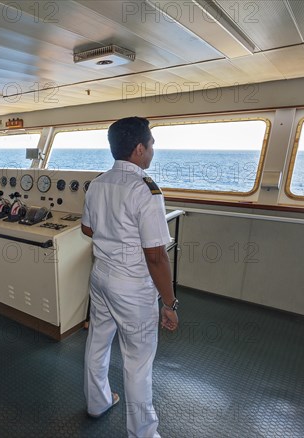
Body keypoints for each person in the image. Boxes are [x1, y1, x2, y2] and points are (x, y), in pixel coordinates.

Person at [82, 117, 178, 437]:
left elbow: (86, 229)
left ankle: (97, 402)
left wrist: (112, 234)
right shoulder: (145, 189)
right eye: (151, 144)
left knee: (98, 343)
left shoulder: (98, 183)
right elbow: (156, 255)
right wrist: (169, 302)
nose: (153, 149)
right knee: (137, 363)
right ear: (139, 149)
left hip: (101, 277)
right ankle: (144, 434)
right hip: (131, 288)